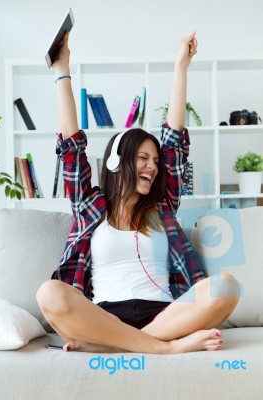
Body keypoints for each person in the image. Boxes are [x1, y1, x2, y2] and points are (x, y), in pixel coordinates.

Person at [37, 31, 240, 354]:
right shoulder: (90, 206)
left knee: (226, 287)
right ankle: (165, 348)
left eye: (155, 161)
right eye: (143, 158)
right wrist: (62, 68)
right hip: (103, 315)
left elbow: (173, 141)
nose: (152, 166)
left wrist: (181, 67)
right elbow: (71, 148)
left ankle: (115, 345)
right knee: (49, 293)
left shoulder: (163, 206)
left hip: (163, 314)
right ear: (118, 162)